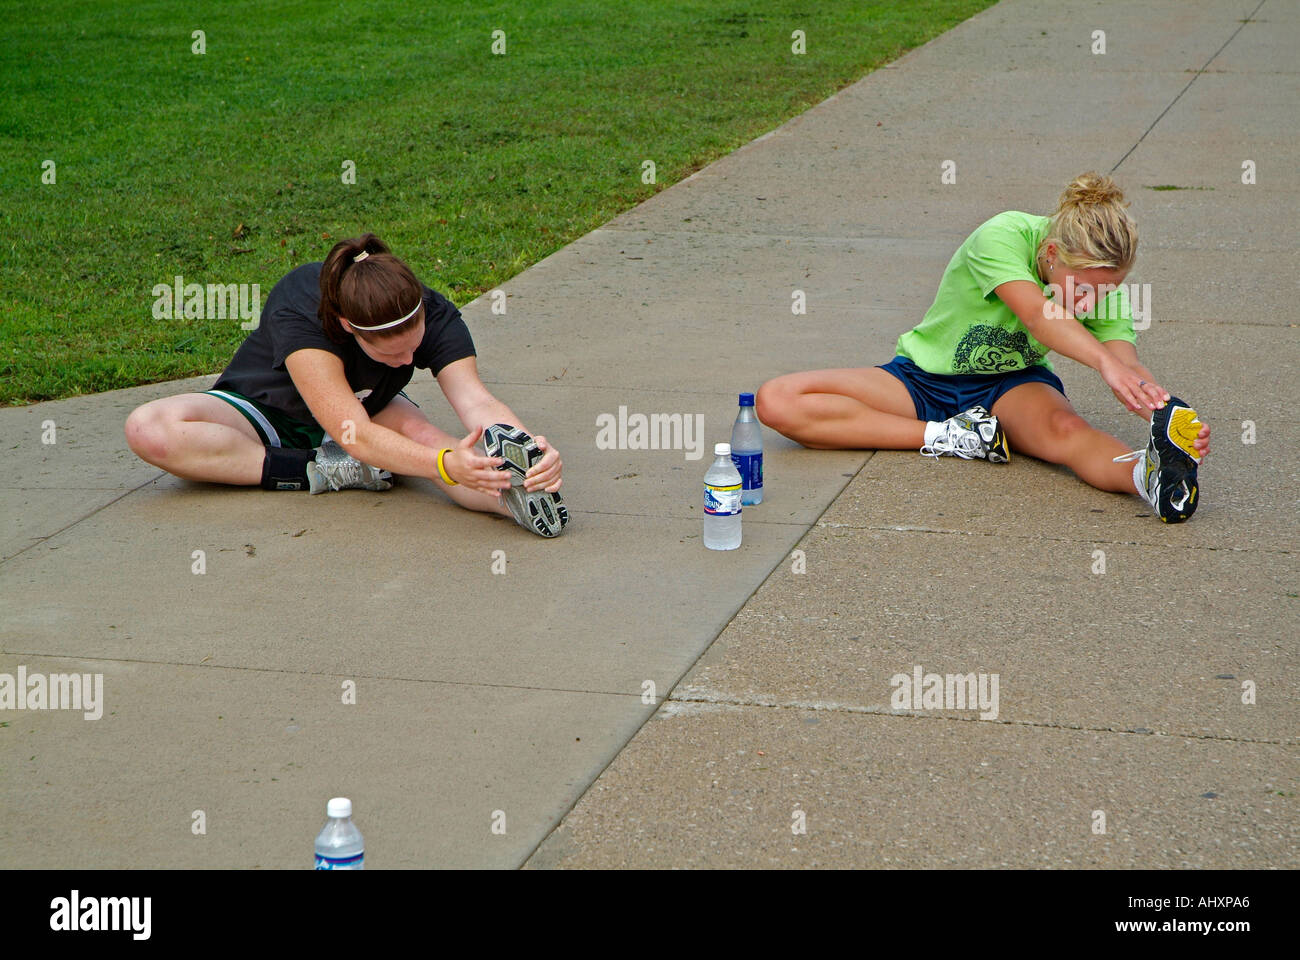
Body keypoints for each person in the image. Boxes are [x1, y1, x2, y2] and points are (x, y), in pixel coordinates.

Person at [756, 172, 1210, 523]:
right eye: (1085, 289)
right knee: (777, 400)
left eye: (1107, 291)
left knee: (1069, 434)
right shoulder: (1003, 235)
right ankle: (954, 437)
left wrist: (1165, 414)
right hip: (921, 379)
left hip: (1012, 387)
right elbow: (1038, 315)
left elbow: (1127, 364)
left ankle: (1148, 478)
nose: (1093, 302)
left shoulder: (1102, 285)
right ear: (1052, 252)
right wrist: (1103, 365)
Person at [124, 233, 568, 537]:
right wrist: (440, 464)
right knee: (150, 428)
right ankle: (318, 470)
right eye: (392, 356)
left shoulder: (434, 312)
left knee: (437, 443)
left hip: (367, 408)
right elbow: (351, 433)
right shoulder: (301, 307)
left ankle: (514, 500)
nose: (409, 361)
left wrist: (531, 450)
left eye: (414, 349)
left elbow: (477, 401)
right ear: (346, 327)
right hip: (260, 412)